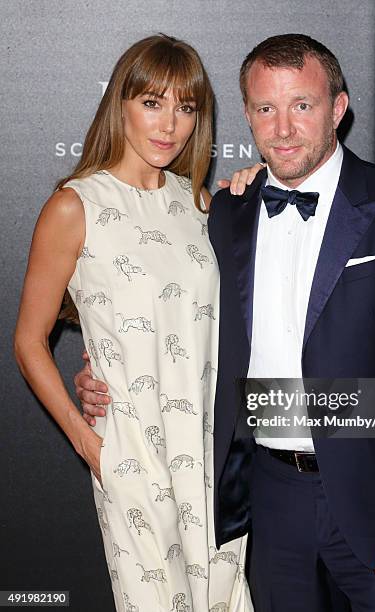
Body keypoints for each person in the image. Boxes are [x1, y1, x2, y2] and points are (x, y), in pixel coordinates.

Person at [77, 34, 375, 611]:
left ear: (337, 109)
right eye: (266, 109)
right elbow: (168, 316)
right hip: (268, 497)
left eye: (302, 106)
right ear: (247, 115)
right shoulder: (227, 212)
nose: (283, 129)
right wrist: (100, 372)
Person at [14, 34, 258, 612]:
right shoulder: (75, 206)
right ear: (119, 104)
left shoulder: (201, 204)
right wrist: (90, 446)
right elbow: (28, 341)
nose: (170, 123)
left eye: (186, 107)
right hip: (133, 454)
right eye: (152, 102)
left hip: (213, 453)